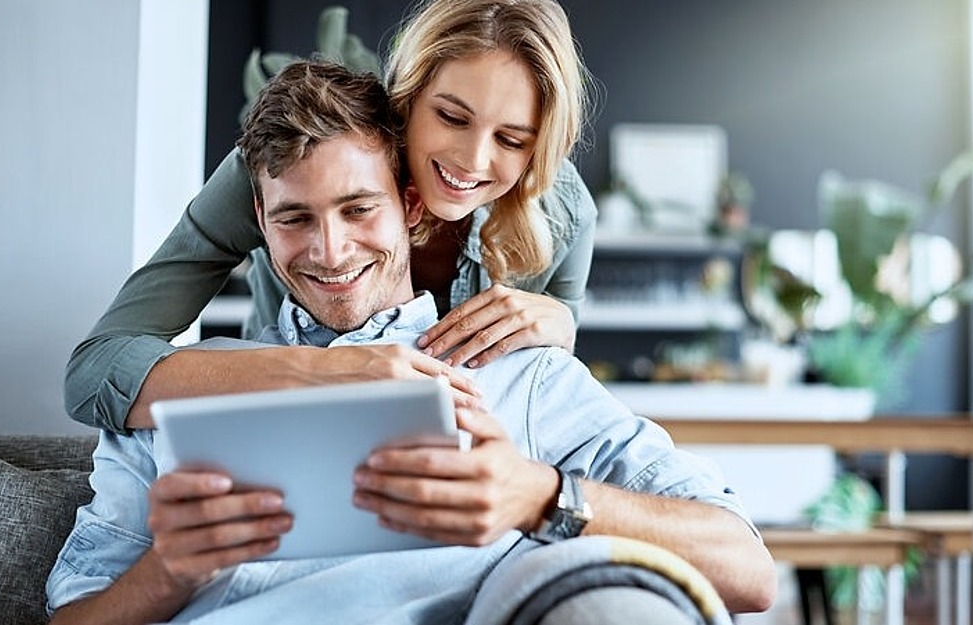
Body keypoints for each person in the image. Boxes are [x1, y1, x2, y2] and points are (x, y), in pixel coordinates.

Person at [46, 59, 776, 625]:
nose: (329, 251)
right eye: (294, 218)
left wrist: (543, 495)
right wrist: (167, 573)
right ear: (258, 228)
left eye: (358, 208)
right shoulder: (176, 393)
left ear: (410, 205)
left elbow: (750, 569)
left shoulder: (520, 377)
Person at [65, 0, 600, 434]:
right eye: (451, 116)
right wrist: (326, 371)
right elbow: (94, 373)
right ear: (409, 94)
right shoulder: (288, 170)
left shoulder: (565, 213)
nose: (472, 161)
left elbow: (554, 397)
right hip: (283, 423)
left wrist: (564, 328)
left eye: (511, 139)